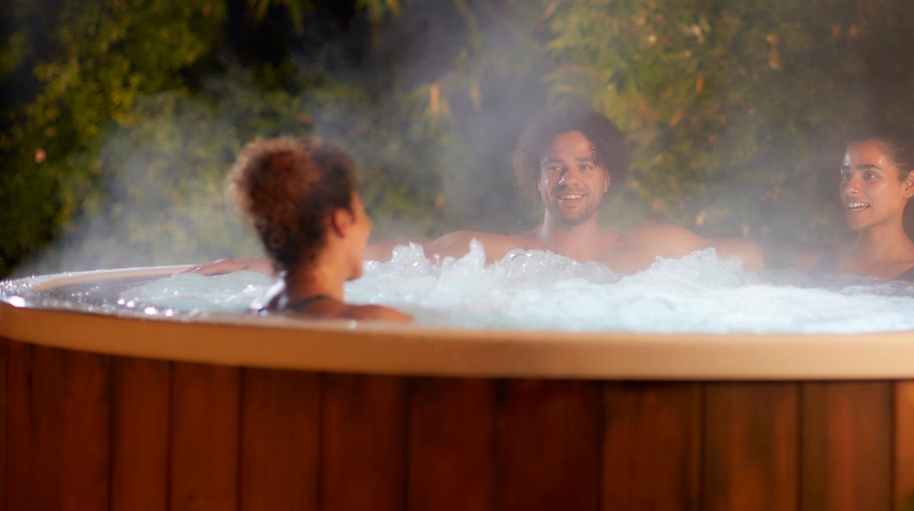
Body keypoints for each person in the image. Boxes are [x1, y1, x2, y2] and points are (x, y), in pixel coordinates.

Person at [370, 105, 763, 273]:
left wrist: (826, 257)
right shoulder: (500, 255)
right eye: (554, 167)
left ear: (606, 178)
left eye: (584, 166)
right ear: (537, 179)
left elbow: (763, 257)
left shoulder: (652, 250)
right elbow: (410, 256)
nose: (568, 179)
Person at [227, 137, 412, 321]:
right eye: (362, 213)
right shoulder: (377, 322)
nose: (368, 227)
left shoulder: (249, 317)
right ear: (341, 222)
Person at [799, 124, 914, 282]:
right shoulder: (814, 262)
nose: (849, 188)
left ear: (909, 184)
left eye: (869, 175)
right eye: (847, 175)